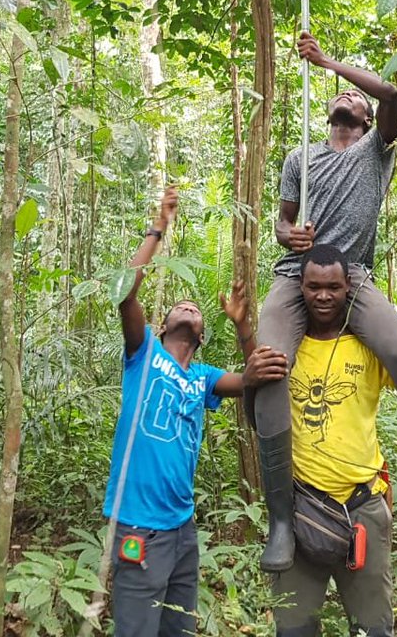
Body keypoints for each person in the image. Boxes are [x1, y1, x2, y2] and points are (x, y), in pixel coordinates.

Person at [255, 33, 397, 572]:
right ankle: (282, 522)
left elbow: (391, 98)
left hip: (353, 276)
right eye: (347, 100)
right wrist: (286, 234)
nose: (351, 103)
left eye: (356, 102)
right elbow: (283, 220)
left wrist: (327, 61)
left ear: (362, 119)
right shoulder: (301, 157)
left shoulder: (373, 150)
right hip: (295, 276)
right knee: (270, 366)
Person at [247, 244, 397, 637]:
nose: (323, 296)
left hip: (361, 509)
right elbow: (256, 420)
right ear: (300, 287)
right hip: (301, 508)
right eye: (313, 287)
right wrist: (250, 377)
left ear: (350, 286)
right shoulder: (284, 351)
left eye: (333, 287)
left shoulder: (369, 346)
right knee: (293, 630)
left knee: (373, 630)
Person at [104, 185, 288, 637]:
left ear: (202, 333)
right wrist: (159, 226)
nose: (188, 306)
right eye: (178, 307)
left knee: (178, 628)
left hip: (183, 529)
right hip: (140, 524)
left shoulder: (203, 377)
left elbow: (252, 380)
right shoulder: (144, 353)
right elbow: (126, 294)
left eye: (195, 308)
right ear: (162, 325)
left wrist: (245, 326)